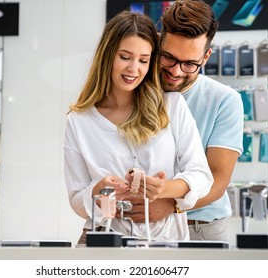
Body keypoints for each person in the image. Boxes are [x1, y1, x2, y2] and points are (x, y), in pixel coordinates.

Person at [64, 10, 213, 245]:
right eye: (125, 57)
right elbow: (77, 202)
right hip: (105, 243)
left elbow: (202, 175)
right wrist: (102, 191)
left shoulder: (171, 105)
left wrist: (165, 189)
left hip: (165, 244)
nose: (134, 69)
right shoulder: (79, 121)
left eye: (144, 60)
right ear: (107, 55)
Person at [121, 0, 244, 241]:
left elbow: (218, 180)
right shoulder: (133, 86)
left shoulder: (224, 100)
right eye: (168, 57)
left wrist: (171, 205)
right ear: (157, 42)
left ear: (206, 57)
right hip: (139, 223)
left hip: (199, 226)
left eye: (190, 64)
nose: (176, 72)